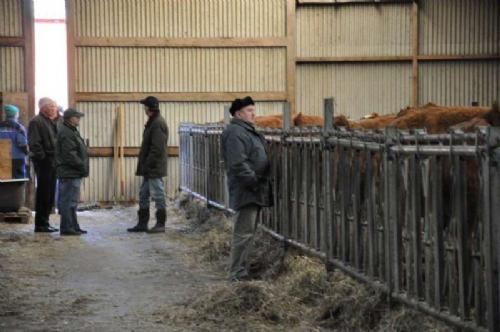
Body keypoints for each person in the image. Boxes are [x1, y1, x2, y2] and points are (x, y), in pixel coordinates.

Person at [221, 96, 273, 281]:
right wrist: (254, 182)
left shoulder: (245, 131)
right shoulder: (236, 133)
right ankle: (237, 273)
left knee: (247, 232)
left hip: (252, 188)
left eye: (253, 109)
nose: (254, 113)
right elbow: (238, 163)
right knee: (243, 233)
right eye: (249, 110)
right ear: (238, 113)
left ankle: (241, 269)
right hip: (247, 189)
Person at [127, 96, 169, 233]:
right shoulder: (153, 122)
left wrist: (148, 164)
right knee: (143, 194)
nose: (144, 109)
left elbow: (157, 149)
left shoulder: (157, 124)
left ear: (149, 108)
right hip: (149, 167)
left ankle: (160, 223)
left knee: (158, 194)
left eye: (145, 107)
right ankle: (142, 223)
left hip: (154, 167)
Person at [55, 108, 89, 236]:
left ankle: (73, 226)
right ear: (70, 118)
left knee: (72, 202)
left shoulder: (71, 131)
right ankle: (67, 228)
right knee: (68, 201)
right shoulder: (66, 133)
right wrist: (81, 166)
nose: (79, 119)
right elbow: (70, 155)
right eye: (77, 117)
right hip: (70, 172)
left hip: (73, 172)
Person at [28, 97, 59, 233]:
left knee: (50, 193)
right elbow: (34, 143)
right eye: (51, 106)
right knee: (43, 193)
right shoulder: (36, 121)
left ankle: (45, 222)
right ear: (43, 108)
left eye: (55, 106)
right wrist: (43, 158)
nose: (54, 109)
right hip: (44, 162)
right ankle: (40, 224)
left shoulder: (51, 121)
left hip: (53, 161)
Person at [0, 104, 28, 178]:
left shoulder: (0, 126)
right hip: (17, 158)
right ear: (16, 114)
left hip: (3, 158)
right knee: (18, 182)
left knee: (5, 181)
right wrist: (27, 152)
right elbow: (22, 143)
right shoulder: (19, 127)